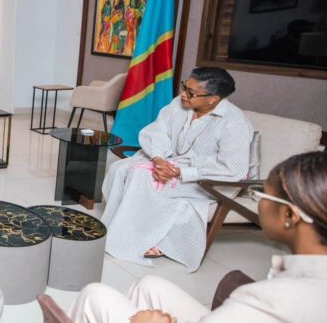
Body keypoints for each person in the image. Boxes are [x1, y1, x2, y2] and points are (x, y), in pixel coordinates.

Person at [71, 150, 327, 323]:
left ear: (289, 215)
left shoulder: (282, 303)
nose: (260, 201)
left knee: (95, 296)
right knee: (150, 286)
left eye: (263, 195)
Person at [101, 67, 253, 272]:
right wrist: (158, 159)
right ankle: (117, 227)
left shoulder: (234, 123)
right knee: (120, 168)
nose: (183, 94)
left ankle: (135, 241)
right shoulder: (178, 104)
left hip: (212, 179)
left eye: (191, 92)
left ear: (212, 99)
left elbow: (233, 170)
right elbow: (157, 131)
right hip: (171, 162)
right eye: (185, 87)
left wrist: (181, 173)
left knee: (144, 177)